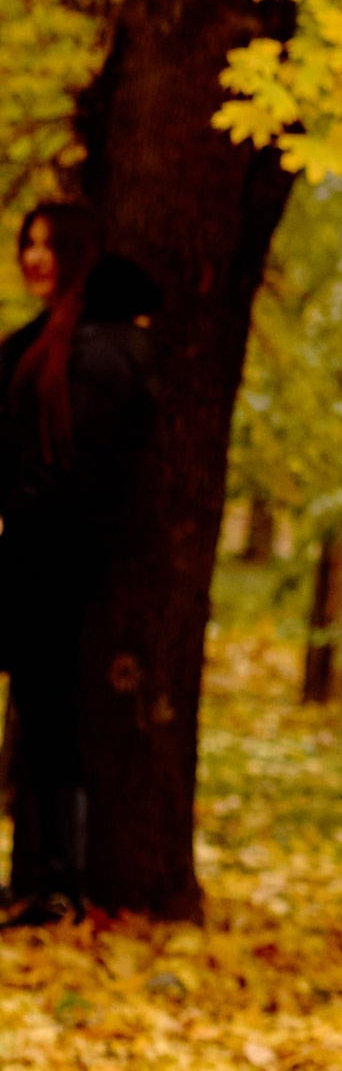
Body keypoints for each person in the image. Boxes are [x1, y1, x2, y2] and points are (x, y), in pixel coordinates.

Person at [0, 203, 153, 924]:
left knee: (52, 717)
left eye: (47, 244)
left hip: (51, 563)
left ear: (77, 254)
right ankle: (47, 878)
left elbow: (74, 473)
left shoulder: (96, 349)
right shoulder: (48, 341)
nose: (33, 256)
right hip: (33, 557)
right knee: (41, 715)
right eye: (26, 242)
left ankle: (61, 882)